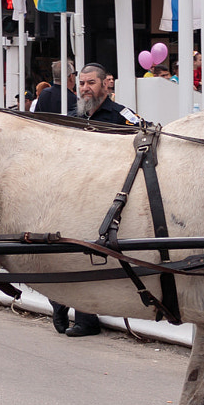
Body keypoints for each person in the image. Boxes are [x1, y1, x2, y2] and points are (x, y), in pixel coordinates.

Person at [50, 64, 142, 338]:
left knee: (87, 255)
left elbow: (145, 138)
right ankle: (58, 300)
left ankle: (85, 317)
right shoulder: (72, 117)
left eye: (91, 82)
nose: (86, 88)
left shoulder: (121, 115)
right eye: (82, 83)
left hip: (108, 195)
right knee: (63, 252)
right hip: (73, 194)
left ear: (106, 84)